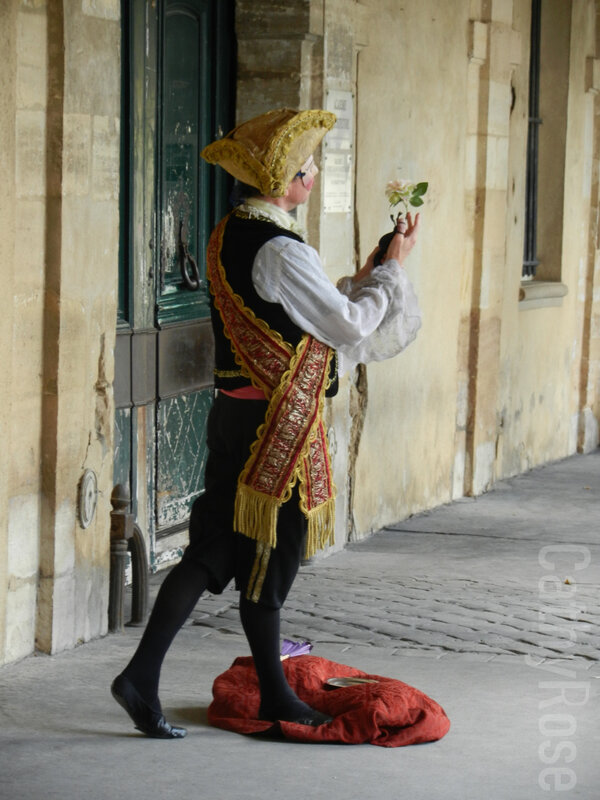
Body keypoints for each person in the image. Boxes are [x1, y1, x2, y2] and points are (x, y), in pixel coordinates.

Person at [111, 108, 422, 739]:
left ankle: (143, 676)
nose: (311, 179)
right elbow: (348, 325)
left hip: (236, 416)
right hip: (272, 427)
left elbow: (306, 311)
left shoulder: (231, 232)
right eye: (307, 170)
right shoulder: (279, 246)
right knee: (268, 560)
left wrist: (362, 277)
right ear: (285, 180)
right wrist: (391, 273)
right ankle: (273, 694)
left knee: (212, 551)